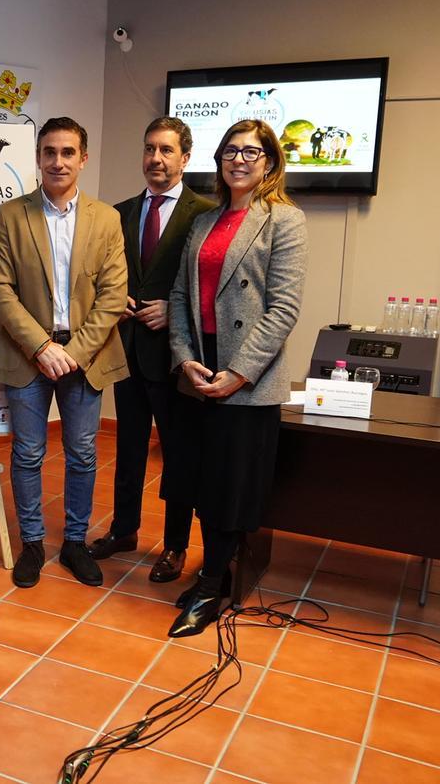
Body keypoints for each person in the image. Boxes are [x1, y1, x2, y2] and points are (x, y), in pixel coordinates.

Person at [165, 119, 307, 637]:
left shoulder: (284, 220)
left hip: (246, 380)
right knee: (202, 484)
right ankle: (213, 572)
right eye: (230, 151)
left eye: (251, 152)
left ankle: (209, 587)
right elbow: (180, 296)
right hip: (200, 373)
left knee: (230, 489)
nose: (239, 160)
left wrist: (238, 374)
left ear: (269, 161)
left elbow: (283, 308)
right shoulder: (205, 220)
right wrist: (184, 358)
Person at [0, 116, 128, 589]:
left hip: (86, 356)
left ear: (83, 159)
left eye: (68, 152)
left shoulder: (106, 219)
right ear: (38, 158)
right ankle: (32, 543)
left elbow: (113, 296)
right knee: (27, 452)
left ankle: (75, 543)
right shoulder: (12, 215)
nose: (58, 161)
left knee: (82, 453)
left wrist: (74, 352)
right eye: (49, 152)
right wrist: (42, 347)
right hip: (28, 353)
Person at [89, 117, 215, 583]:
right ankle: (124, 530)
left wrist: (175, 311)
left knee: (178, 455)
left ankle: (176, 546)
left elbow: (213, 286)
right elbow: (104, 273)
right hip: (127, 350)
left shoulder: (205, 214)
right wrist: (114, 298)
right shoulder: (119, 213)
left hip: (177, 358)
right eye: (149, 149)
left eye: (166, 150)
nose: (155, 159)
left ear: (185, 158)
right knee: (128, 448)